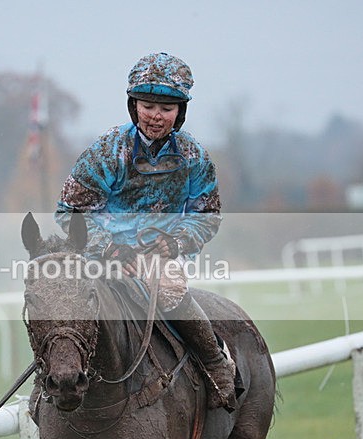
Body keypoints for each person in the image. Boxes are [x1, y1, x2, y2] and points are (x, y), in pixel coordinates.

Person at [55, 52, 236, 410]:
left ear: (180, 113)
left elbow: (208, 215)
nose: (156, 116)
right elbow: (69, 212)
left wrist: (175, 242)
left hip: (159, 256)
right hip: (103, 253)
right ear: (133, 105)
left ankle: (215, 363)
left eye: (167, 108)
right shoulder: (107, 151)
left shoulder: (194, 157)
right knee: (64, 297)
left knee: (169, 286)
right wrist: (111, 249)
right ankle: (53, 381)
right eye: (148, 105)